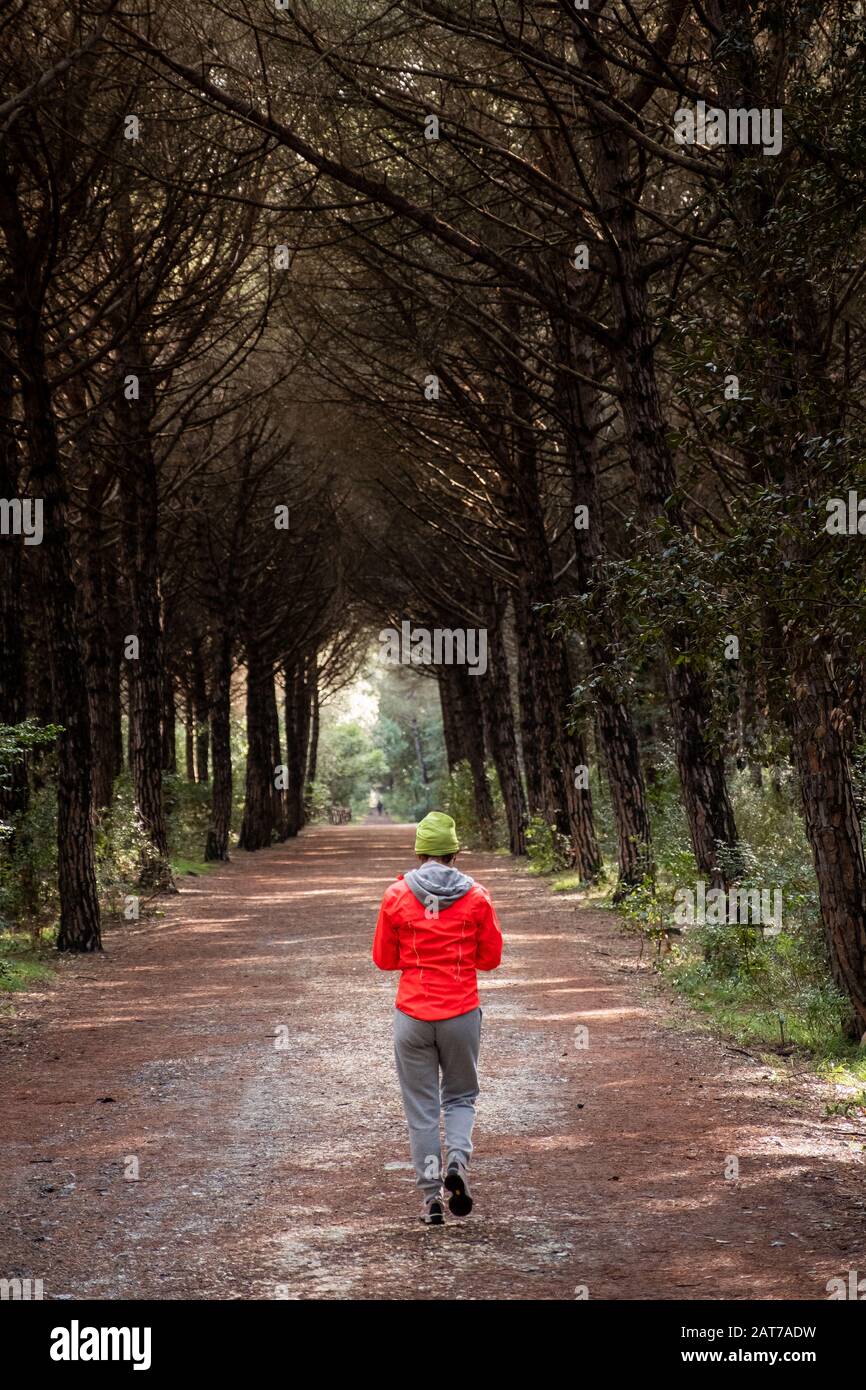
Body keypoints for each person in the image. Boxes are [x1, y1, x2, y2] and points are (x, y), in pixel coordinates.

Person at [372, 810, 503, 1225]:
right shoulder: (477, 896)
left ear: (419, 852)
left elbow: (384, 959)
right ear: (454, 852)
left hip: (412, 1014)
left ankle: (431, 1198)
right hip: (461, 1013)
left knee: (422, 1108)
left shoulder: (396, 895)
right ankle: (457, 1168)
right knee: (461, 1097)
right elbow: (491, 958)